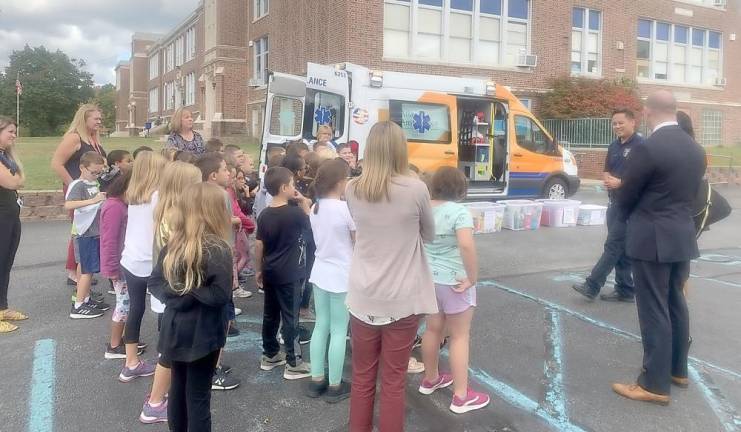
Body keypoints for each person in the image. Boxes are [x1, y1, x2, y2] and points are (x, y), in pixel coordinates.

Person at [611, 91, 706, 405]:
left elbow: (627, 194)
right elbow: (693, 193)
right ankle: (678, 370)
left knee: (653, 309)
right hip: (681, 234)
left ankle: (653, 383)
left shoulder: (648, 148)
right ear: (675, 111)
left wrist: (621, 219)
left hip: (651, 236)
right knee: (675, 303)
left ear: (647, 112)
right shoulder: (695, 148)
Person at [345, 121, 437, 432]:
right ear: (401, 150)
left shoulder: (352, 187)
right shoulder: (415, 189)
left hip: (362, 295)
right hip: (401, 298)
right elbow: (429, 234)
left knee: (361, 377)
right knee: (394, 381)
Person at [148, 182, 233, 432]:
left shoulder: (174, 244)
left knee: (178, 389)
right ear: (215, 212)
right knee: (197, 397)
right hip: (203, 336)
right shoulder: (218, 249)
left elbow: (155, 283)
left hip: (174, 329)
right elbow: (220, 295)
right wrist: (189, 292)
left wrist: (178, 294)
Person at [419, 167, 490, 414]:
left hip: (429, 279)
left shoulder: (425, 209)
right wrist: (472, 277)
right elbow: (466, 245)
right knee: (460, 336)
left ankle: (430, 378)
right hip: (455, 280)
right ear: (460, 188)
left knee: (432, 329)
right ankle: (461, 396)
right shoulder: (460, 212)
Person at [139, 161, 203, 424]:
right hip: (174, 295)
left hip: (167, 295)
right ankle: (154, 403)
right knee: (169, 354)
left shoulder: (166, 208)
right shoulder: (175, 217)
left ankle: (161, 396)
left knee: (170, 351)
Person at [573, 109, 643, 303]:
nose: (617, 126)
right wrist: (607, 178)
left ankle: (592, 285)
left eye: (621, 123)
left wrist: (620, 183)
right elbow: (606, 171)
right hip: (614, 203)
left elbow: (643, 178)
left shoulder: (641, 146)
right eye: (614, 124)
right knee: (622, 248)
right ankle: (626, 289)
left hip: (629, 206)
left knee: (613, 245)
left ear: (632, 123)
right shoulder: (613, 146)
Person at [255, 166, 313, 380]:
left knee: (270, 315)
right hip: (291, 273)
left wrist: (259, 269)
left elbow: (259, 245)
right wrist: (304, 202)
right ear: (284, 188)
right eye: (293, 184)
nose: (295, 187)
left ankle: (270, 354)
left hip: (270, 271)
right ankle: (294, 362)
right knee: (291, 318)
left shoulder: (264, 214)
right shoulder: (296, 213)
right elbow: (312, 225)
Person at [305, 159, 355, 402]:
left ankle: (316, 379)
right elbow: (357, 240)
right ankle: (335, 384)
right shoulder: (344, 209)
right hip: (342, 275)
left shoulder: (316, 207)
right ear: (340, 182)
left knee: (321, 326)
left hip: (320, 271)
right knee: (338, 330)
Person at [194, 153, 242, 390]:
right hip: (219, 259)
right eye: (224, 169)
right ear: (213, 175)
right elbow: (222, 226)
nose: (229, 172)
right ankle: (214, 369)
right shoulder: (221, 196)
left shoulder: (193, 194)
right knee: (222, 316)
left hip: (201, 259)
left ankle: (208, 365)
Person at [119, 151, 167, 382]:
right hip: (151, 260)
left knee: (136, 309)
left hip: (131, 258)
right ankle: (164, 358)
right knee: (162, 307)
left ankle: (131, 362)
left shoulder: (134, 194)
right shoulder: (159, 196)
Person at [51, 104, 106, 288]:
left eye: (100, 118)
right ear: (84, 119)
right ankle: (74, 272)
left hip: (92, 190)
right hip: (78, 191)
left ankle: (81, 268)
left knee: (87, 229)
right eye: (95, 118)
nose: (99, 121)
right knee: (80, 230)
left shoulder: (93, 138)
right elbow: (57, 163)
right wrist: (73, 184)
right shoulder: (74, 137)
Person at [64, 151, 110, 319]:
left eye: (99, 172)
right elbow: (69, 204)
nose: (96, 176)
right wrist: (93, 201)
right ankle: (78, 305)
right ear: (82, 168)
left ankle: (86, 298)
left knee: (86, 267)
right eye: (93, 172)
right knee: (87, 270)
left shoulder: (93, 183)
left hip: (93, 232)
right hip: (84, 233)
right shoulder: (79, 184)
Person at [100, 169, 139, 356]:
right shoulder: (114, 207)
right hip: (119, 265)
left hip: (123, 263)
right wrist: (111, 268)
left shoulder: (120, 204)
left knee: (127, 303)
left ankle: (122, 339)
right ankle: (114, 345)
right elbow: (109, 240)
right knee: (123, 304)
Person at [0, 117, 27, 333]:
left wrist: (17, 176)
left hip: (10, 217)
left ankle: (2, 307)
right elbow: (13, 182)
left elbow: (19, 179)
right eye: (10, 131)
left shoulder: (5, 157)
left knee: (5, 263)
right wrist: (18, 176)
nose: (14, 135)